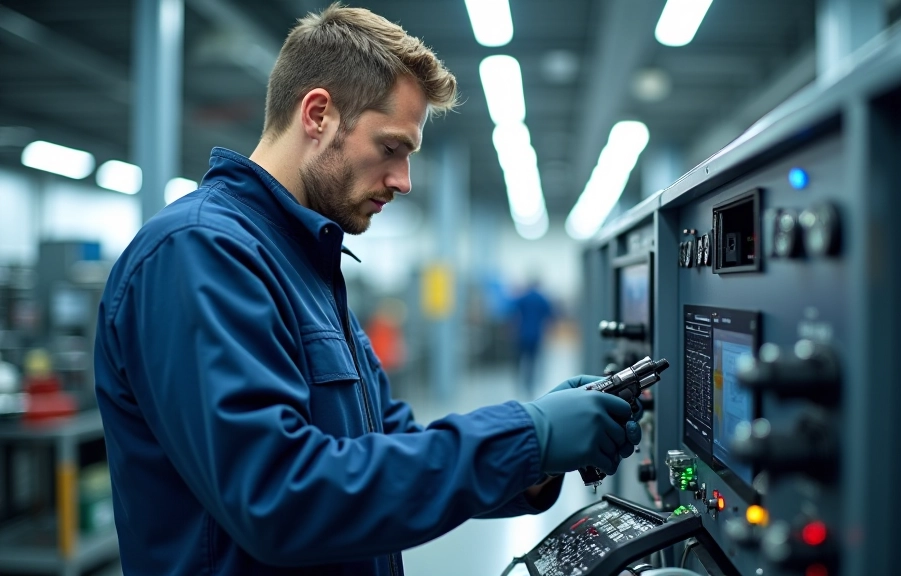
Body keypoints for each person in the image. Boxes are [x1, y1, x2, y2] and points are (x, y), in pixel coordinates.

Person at [93, 5, 641, 575]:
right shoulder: (199, 253)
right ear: (318, 115)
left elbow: (387, 443)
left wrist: (539, 454)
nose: (403, 181)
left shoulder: (307, 265)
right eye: (390, 148)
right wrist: (528, 435)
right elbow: (279, 496)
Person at [511, 279, 555, 396]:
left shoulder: (523, 298)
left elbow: (513, 313)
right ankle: (530, 384)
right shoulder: (541, 299)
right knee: (532, 361)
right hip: (536, 335)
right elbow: (550, 316)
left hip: (522, 333)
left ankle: (520, 382)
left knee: (520, 360)